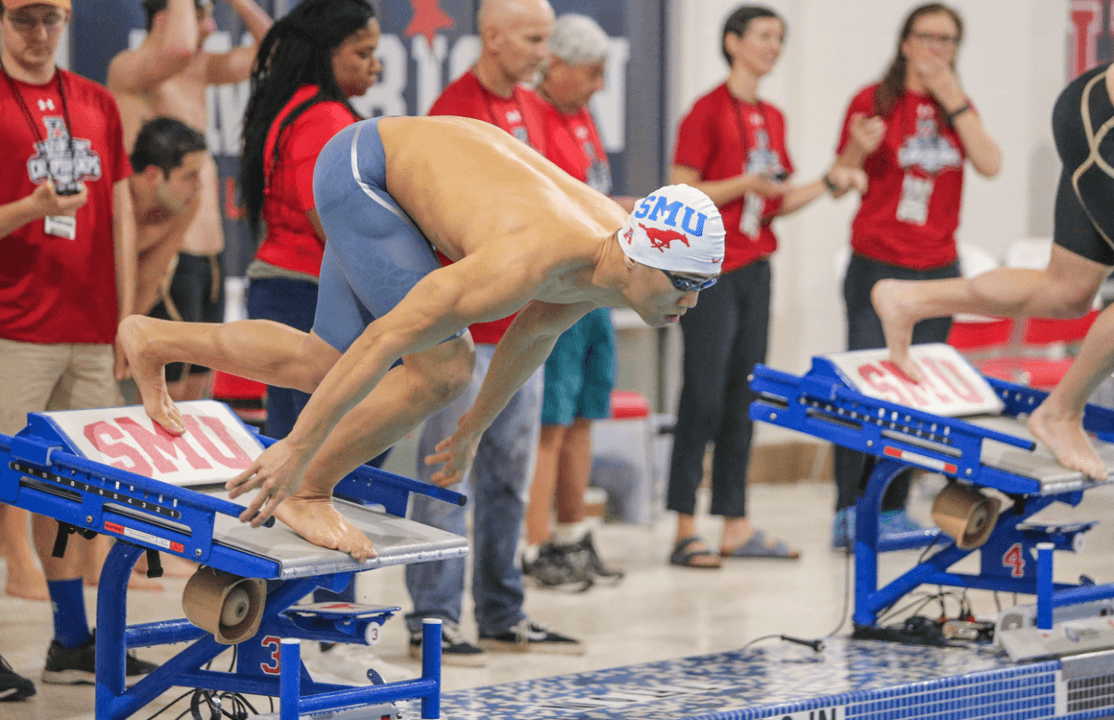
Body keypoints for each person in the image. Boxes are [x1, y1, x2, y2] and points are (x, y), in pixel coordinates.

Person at [117, 115, 725, 578]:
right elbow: (388, 339)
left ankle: (153, 337)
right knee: (443, 367)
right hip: (365, 173)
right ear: (645, 259)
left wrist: (473, 429)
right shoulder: (530, 257)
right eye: (686, 284)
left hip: (380, 164)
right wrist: (296, 450)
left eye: (704, 287)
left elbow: (533, 334)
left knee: (323, 362)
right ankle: (307, 491)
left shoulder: (607, 259)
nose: (692, 303)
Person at [405, 0, 579, 664]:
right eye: (534, 39)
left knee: (509, 473)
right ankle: (433, 615)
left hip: (521, 323)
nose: (545, 51)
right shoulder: (455, 112)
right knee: (449, 471)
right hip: (464, 328)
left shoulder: (535, 110)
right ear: (493, 37)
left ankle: (503, 610)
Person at [665, 5, 866, 569]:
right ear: (732, 42)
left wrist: (830, 180)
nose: (773, 47)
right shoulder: (706, 111)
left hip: (756, 267)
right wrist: (743, 184)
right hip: (710, 269)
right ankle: (684, 526)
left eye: (780, 38)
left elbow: (775, 202)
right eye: (762, 36)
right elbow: (681, 188)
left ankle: (735, 522)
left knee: (744, 394)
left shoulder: (772, 118)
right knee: (701, 396)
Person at [0, 0, 156, 691]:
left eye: (50, 20)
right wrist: (30, 210)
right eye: (23, 20)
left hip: (91, 331)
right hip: (13, 329)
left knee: (77, 494)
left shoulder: (95, 101)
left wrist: (126, 315)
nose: (39, 36)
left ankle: (72, 640)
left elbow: (119, 209)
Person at [873, 61, 1114, 484]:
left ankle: (908, 299)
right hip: (1105, 122)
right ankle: (1060, 412)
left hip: (1091, 111)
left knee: (1068, 290)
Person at [829, 2, 1001, 549]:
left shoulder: (958, 109)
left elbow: (991, 162)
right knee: (864, 391)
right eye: (927, 37)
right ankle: (851, 509)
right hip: (879, 265)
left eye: (948, 40)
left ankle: (895, 505)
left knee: (917, 398)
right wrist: (860, 147)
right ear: (905, 42)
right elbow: (840, 176)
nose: (936, 48)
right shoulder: (874, 100)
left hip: (936, 272)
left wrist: (954, 99)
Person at [107, 0, 271, 402]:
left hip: (210, 260)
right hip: (170, 257)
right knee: (166, 397)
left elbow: (272, 53)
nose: (212, 26)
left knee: (198, 395)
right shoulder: (130, 70)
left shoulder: (198, 70)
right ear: (164, 19)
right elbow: (177, 47)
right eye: (201, 15)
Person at [522, 12, 627, 589]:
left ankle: (570, 535)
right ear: (554, 66)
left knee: (585, 414)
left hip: (598, 288)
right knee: (550, 422)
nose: (600, 84)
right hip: (558, 290)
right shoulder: (530, 121)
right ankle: (535, 545)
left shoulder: (581, 114)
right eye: (592, 72)